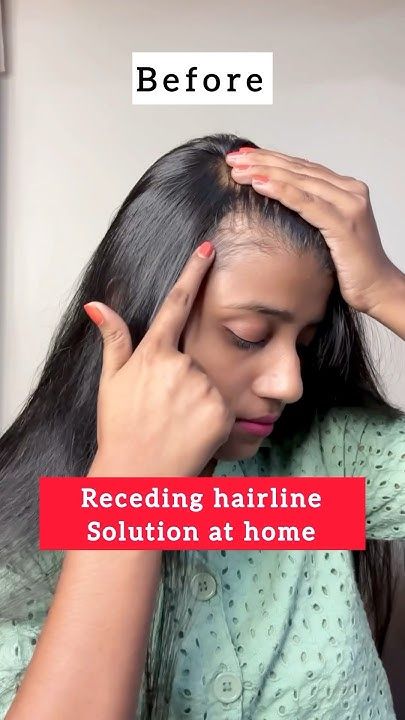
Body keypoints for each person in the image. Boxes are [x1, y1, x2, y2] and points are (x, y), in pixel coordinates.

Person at [0, 133, 404, 719]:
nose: (289, 383)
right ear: (131, 309)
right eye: (248, 336)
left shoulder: (328, 470)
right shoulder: (24, 525)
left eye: (304, 343)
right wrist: (128, 490)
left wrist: (387, 290)